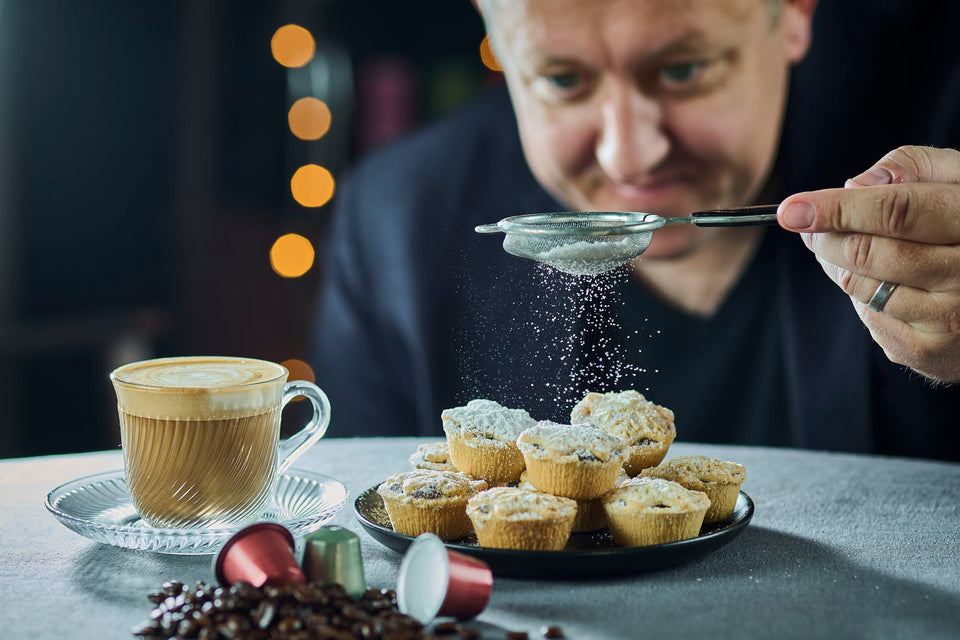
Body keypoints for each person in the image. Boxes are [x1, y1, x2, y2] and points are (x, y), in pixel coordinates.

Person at [311, 0, 960, 461]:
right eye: (563, 80)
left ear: (794, 12)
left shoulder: (938, 137)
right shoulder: (395, 222)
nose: (629, 157)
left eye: (682, 70)